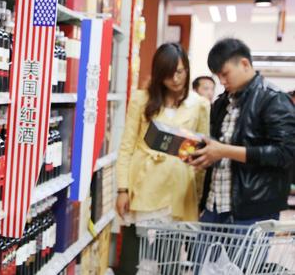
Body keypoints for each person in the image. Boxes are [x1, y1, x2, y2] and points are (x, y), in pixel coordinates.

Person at [115, 43, 210, 275]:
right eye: (168, 74)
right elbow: (126, 146)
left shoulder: (199, 105)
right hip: (142, 188)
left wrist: (197, 196)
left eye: (180, 71)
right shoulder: (142, 99)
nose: (176, 79)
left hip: (177, 192)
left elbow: (202, 156)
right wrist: (122, 189)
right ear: (159, 75)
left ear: (187, 69)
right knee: (131, 261)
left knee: (168, 263)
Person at [189, 38, 295, 225]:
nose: (222, 81)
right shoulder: (222, 103)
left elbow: (285, 153)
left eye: (225, 74)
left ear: (245, 64)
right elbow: (216, 146)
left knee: (243, 256)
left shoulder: (273, 99)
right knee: (201, 255)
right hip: (214, 206)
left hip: (253, 211)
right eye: (218, 76)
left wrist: (224, 151)